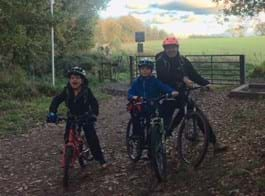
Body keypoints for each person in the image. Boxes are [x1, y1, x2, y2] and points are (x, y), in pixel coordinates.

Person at [155, 36, 227, 153]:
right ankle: (156, 146)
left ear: (177, 48)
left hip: (182, 94)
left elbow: (194, 75)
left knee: (199, 116)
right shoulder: (160, 61)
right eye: (168, 48)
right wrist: (183, 78)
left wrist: (206, 83)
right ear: (164, 49)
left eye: (173, 47)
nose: (171, 50)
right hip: (167, 94)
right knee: (164, 122)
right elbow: (163, 77)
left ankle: (214, 143)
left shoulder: (183, 61)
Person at [47, 66, 107, 168]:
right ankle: (70, 158)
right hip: (72, 116)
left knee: (92, 138)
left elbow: (94, 103)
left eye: (77, 78)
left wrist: (93, 114)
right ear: (69, 80)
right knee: (67, 138)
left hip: (85, 116)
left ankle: (100, 159)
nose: (74, 80)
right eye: (72, 78)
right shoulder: (66, 91)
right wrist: (52, 113)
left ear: (82, 80)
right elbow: (56, 100)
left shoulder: (87, 91)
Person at [128, 59, 179, 140]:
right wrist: (134, 97)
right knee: (136, 115)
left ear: (151, 70)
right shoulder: (136, 82)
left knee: (155, 118)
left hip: (152, 104)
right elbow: (130, 93)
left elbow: (163, 87)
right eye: (142, 69)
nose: (145, 71)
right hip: (140, 105)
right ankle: (137, 134)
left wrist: (172, 91)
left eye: (147, 69)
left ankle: (155, 137)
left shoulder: (155, 81)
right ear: (139, 70)